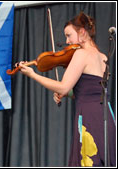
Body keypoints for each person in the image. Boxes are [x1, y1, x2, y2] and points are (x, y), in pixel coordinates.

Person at [18, 12, 116, 166]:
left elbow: (63, 87)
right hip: (105, 116)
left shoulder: (81, 54)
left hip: (89, 116)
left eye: (69, 35)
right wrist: (69, 93)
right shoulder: (103, 56)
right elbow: (88, 91)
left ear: (82, 32)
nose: (67, 41)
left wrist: (32, 74)